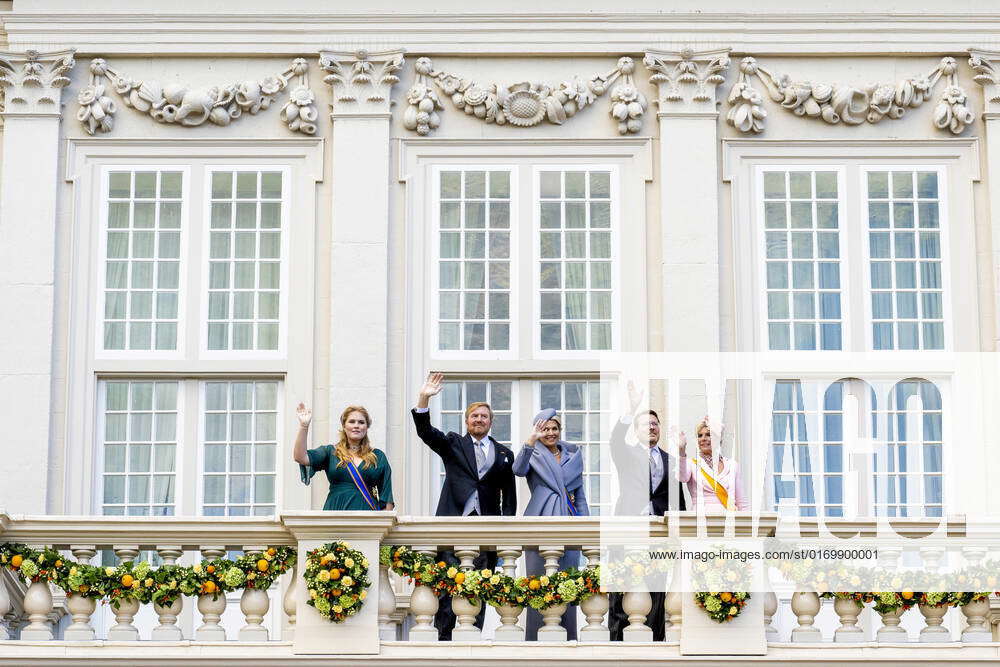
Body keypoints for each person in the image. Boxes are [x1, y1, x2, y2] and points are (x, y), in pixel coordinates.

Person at [411, 371, 516, 640]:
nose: (479, 419)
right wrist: (424, 398)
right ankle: (445, 642)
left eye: (484, 416)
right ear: (467, 421)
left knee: (478, 588)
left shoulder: (504, 454)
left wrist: (505, 535)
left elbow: (509, 499)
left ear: (491, 422)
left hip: (486, 531)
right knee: (447, 588)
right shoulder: (453, 444)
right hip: (452, 525)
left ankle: (472, 641)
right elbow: (425, 432)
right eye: (474, 416)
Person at [607, 381, 686, 642]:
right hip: (628, 530)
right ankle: (617, 642)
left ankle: (655, 640)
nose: (651, 428)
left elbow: (678, 501)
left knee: (656, 589)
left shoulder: (670, 460)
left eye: (655, 424)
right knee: (623, 590)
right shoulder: (626, 453)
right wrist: (631, 408)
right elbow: (615, 439)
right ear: (636, 430)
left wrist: (680, 534)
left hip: (658, 534)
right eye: (645, 424)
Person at [513, 409, 590, 640]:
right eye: (544, 429)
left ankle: (569, 639)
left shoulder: (573, 455)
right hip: (540, 520)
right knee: (539, 583)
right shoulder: (533, 453)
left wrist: (585, 526)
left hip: (568, 519)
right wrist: (531, 439)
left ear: (560, 430)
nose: (550, 433)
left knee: (568, 583)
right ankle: (535, 640)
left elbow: (580, 494)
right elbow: (517, 469)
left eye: (554, 428)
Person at [293, 403, 394, 511]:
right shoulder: (330, 452)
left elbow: (387, 499)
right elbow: (300, 457)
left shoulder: (377, 456)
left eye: (361, 422)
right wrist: (304, 426)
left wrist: (381, 526)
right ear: (344, 426)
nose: (356, 425)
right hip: (335, 514)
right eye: (351, 421)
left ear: (366, 427)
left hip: (367, 518)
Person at [677, 416, 749, 512]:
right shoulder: (691, 464)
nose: (703, 438)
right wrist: (681, 451)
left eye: (708, 434)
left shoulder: (732, 466)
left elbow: (741, 502)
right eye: (700, 435)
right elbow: (682, 477)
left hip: (728, 521)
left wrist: (748, 525)